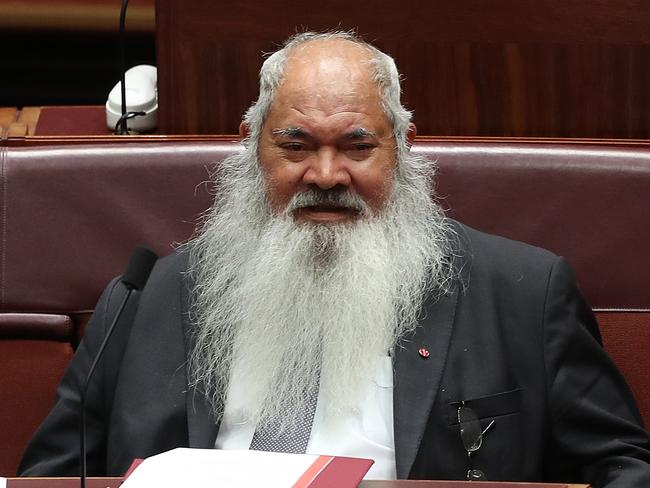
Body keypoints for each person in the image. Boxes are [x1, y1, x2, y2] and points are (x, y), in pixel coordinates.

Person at [19, 31, 650, 486]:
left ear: (401, 150)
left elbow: (622, 465)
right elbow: (51, 477)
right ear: (252, 149)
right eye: (295, 145)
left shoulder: (521, 291)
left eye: (356, 145)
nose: (326, 174)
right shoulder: (148, 295)